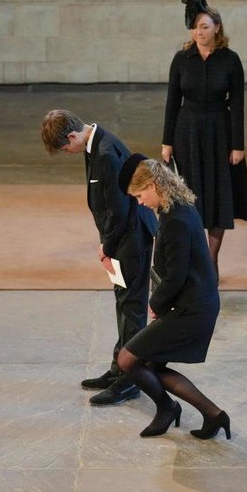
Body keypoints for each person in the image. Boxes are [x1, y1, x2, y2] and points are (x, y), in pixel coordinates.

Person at [40, 110, 158, 406]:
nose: (67, 153)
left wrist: (106, 245)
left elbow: (117, 210)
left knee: (131, 307)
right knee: (124, 302)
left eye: (65, 148)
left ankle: (131, 379)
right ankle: (120, 367)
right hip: (124, 235)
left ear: (72, 136)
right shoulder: (95, 143)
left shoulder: (105, 153)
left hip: (130, 237)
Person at [116, 154, 230, 440]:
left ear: (154, 185)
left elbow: (176, 276)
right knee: (151, 365)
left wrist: (155, 305)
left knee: (128, 360)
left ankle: (168, 408)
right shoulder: (177, 207)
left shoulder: (176, 219)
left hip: (192, 309)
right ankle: (213, 415)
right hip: (191, 303)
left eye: (140, 195)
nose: (139, 202)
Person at [162, 0, 247, 280]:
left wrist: (237, 145)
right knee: (191, 197)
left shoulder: (230, 60)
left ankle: (211, 258)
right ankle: (195, 258)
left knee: (218, 197)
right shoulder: (182, 59)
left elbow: (238, 103)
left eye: (204, 26)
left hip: (219, 130)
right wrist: (166, 142)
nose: (199, 32)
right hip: (187, 132)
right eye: (194, 27)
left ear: (217, 27)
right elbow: (171, 101)